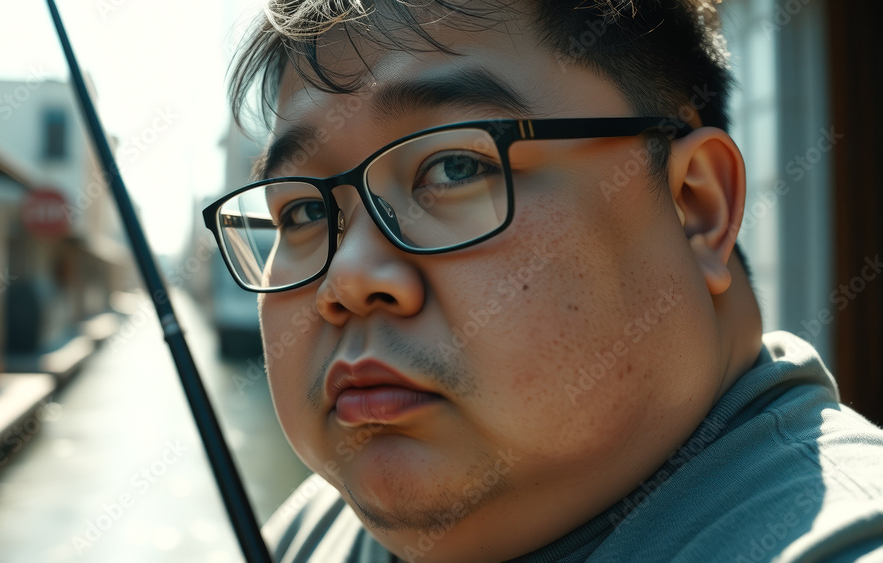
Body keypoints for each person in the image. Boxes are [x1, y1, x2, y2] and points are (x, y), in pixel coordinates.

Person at [203, 1, 883, 561]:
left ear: (698, 208)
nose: (346, 278)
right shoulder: (317, 530)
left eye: (453, 168)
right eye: (304, 211)